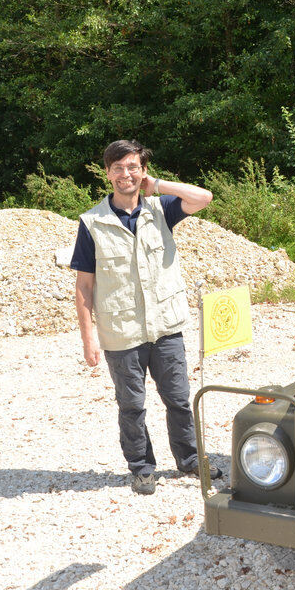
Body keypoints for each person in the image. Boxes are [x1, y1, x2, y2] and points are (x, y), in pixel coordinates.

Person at [70, 139, 221, 495]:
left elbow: (204, 197)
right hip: (122, 333)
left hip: (166, 327)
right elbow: (84, 286)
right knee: (132, 406)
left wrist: (159, 185)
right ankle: (142, 468)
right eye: (118, 168)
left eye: (133, 167)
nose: (126, 174)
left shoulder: (161, 209)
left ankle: (189, 461)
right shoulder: (93, 223)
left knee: (179, 399)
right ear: (107, 173)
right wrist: (88, 337)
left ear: (143, 170)